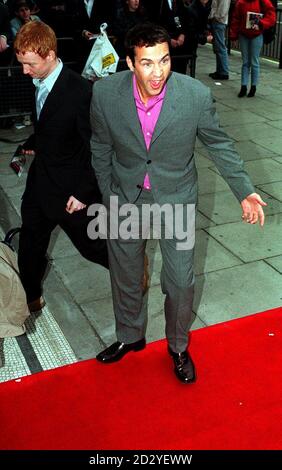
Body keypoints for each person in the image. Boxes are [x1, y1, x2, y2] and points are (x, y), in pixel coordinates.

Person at [90, 22, 266, 384]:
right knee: (124, 275)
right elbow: (100, 147)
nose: (158, 73)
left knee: (181, 281)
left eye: (165, 60)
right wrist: (109, 194)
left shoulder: (194, 95)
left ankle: (178, 346)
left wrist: (244, 190)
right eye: (148, 63)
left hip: (176, 197)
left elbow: (219, 143)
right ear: (129, 63)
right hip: (125, 196)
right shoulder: (105, 94)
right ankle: (129, 336)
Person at [14, 21, 109, 313]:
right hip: (41, 179)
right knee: (30, 242)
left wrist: (83, 192)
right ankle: (30, 297)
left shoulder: (80, 92)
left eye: (30, 64)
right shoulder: (39, 80)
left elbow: (98, 147)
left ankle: (129, 266)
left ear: (50, 55)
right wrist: (34, 141)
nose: (24, 71)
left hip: (71, 189)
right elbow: (49, 124)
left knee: (92, 246)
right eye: (22, 63)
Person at [229, 0, 276, 98]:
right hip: (247, 34)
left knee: (253, 62)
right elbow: (235, 19)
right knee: (247, 62)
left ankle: (252, 86)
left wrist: (261, 23)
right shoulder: (241, 2)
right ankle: (244, 86)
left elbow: (271, 16)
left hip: (254, 35)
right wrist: (233, 35)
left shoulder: (261, 1)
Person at [208, 0, 231, 80]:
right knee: (218, 47)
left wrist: (215, 17)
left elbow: (223, 9)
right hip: (219, 21)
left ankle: (223, 72)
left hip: (219, 21)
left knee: (220, 47)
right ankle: (220, 70)